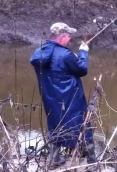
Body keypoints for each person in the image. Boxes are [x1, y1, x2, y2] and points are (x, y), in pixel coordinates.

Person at [29, 22, 96, 169]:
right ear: (61, 37)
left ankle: (54, 160)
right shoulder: (65, 55)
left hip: (51, 99)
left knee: (55, 126)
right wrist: (83, 52)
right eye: (68, 35)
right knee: (83, 126)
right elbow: (82, 69)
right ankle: (92, 162)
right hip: (71, 99)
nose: (70, 38)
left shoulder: (39, 52)